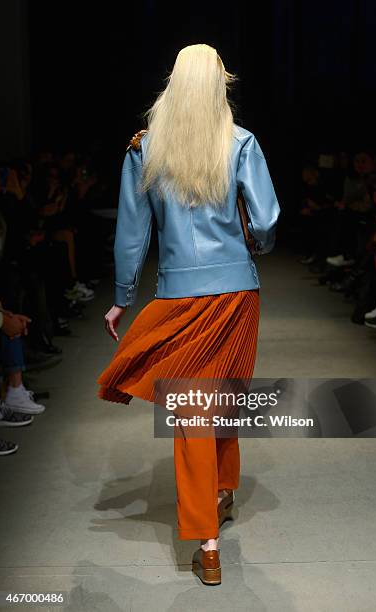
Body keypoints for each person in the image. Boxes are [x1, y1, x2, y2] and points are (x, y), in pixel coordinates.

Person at [96, 43, 281, 586]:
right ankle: (212, 519)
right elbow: (267, 220)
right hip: (235, 294)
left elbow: (133, 234)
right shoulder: (242, 143)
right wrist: (251, 247)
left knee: (196, 412)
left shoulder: (145, 149)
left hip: (178, 296)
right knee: (220, 397)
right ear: (219, 85)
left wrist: (122, 296)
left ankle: (210, 524)